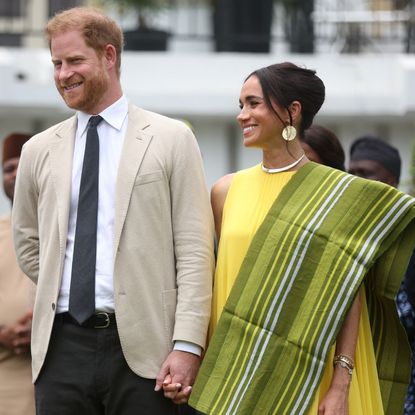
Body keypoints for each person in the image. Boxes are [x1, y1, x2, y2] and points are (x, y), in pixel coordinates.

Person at [12, 7, 214, 414]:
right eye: (56, 63)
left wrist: (187, 345)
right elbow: (29, 244)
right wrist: (65, 281)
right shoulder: (37, 150)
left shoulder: (171, 139)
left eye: (74, 61)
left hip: (145, 351)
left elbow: (194, 251)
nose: (62, 74)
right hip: (59, 350)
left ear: (109, 56)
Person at [189, 62, 415, 414]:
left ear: (292, 111)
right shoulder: (225, 191)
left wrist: (341, 385)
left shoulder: (334, 195)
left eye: (253, 104)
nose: (241, 116)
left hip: (310, 371)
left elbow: (348, 296)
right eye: (240, 105)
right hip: (236, 372)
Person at [349, 135, 415, 415]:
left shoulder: (409, 235)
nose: (356, 181)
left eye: (365, 174)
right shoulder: (347, 234)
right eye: (351, 173)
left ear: (391, 183)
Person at [0, 132, 35, 415]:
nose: (15, 174)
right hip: (5, 372)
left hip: (58, 367)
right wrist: (4, 335)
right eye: (8, 168)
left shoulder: (68, 232)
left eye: (23, 165)